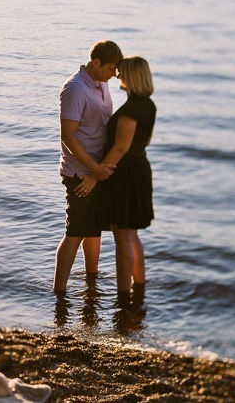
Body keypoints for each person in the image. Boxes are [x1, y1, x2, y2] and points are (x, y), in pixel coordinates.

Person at [75, 56, 156, 300]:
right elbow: (144, 141)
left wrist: (95, 176)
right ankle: (139, 287)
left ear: (131, 76)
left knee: (123, 237)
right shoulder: (148, 105)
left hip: (126, 176)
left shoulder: (131, 110)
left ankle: (123, 296)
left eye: (121, 72)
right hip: (139, 169)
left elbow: (119, 149)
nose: (117, 75)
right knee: (131, 235)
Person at [53, 40, 122, 294]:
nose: (114, 75)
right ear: (96, 63)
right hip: (80, 171)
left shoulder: (101, 82)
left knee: (93, 229)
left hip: (98, 170)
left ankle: (91, 280)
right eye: (111, 69)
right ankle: (59, 293)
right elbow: (68, 137)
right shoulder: (74, 89)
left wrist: (101, 169)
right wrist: (92, 169)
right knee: (76, 231)